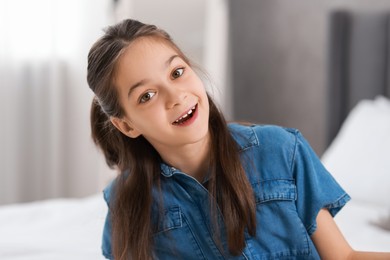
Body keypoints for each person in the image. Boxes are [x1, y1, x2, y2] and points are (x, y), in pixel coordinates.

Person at [87, 19, 390, 260]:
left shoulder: (281, 151)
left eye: (177, 72)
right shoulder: (125, 202)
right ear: (126, 126)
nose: (175, 96)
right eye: (147, 96)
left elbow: (344, 257)